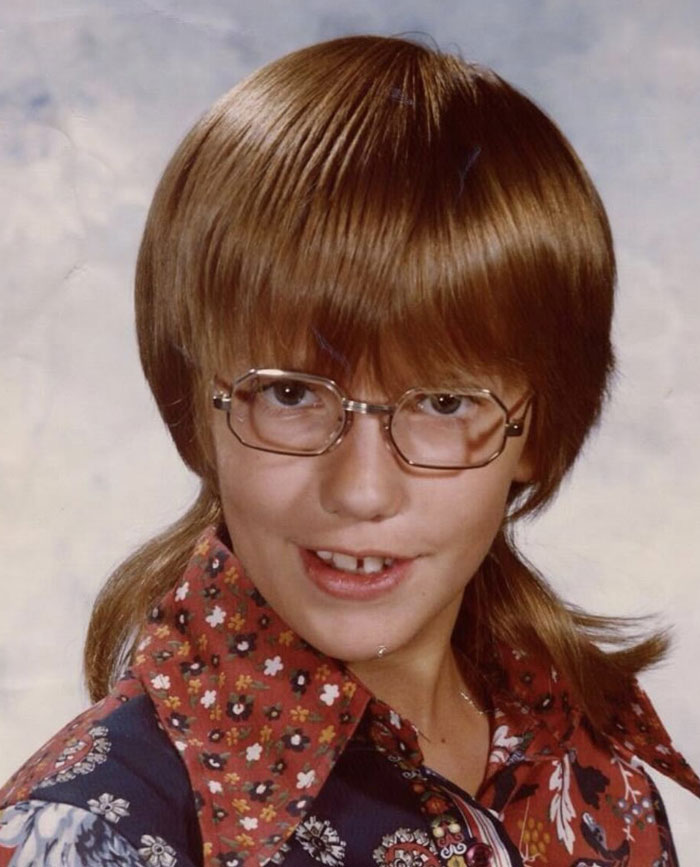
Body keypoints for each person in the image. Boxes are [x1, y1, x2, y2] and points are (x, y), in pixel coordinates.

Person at [0, 33, 697, 867]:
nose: (363, 490)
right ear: (197, 407)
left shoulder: (592, 770)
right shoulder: (90, 833)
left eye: (443, 402)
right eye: (291, 392)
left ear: (537, 433)